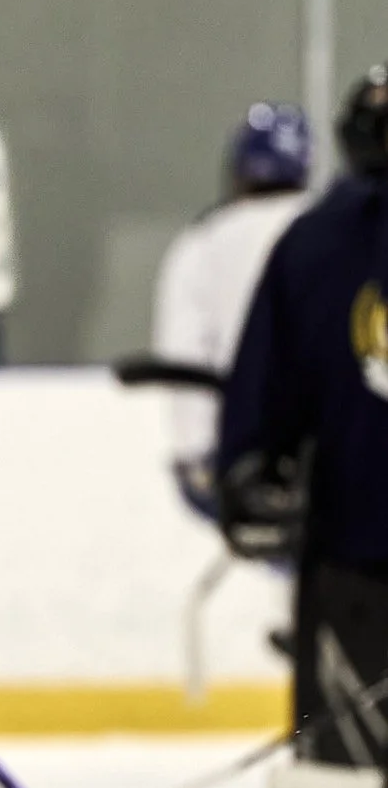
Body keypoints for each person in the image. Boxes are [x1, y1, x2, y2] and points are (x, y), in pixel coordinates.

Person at [218, 69, 388, 788]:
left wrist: (253, 460)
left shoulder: (314, 237)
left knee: (353, 707)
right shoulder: (319, 241)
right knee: (351, 717)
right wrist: (253, 462)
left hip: (352, 529)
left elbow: (265, 382)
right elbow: (271, 374)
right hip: (353, 524)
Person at [151, 103, 313, 520]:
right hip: (323, 453)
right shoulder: (330, 231)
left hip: (236, 454)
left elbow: (183, 350)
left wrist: (197, 454)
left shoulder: (203, 243)